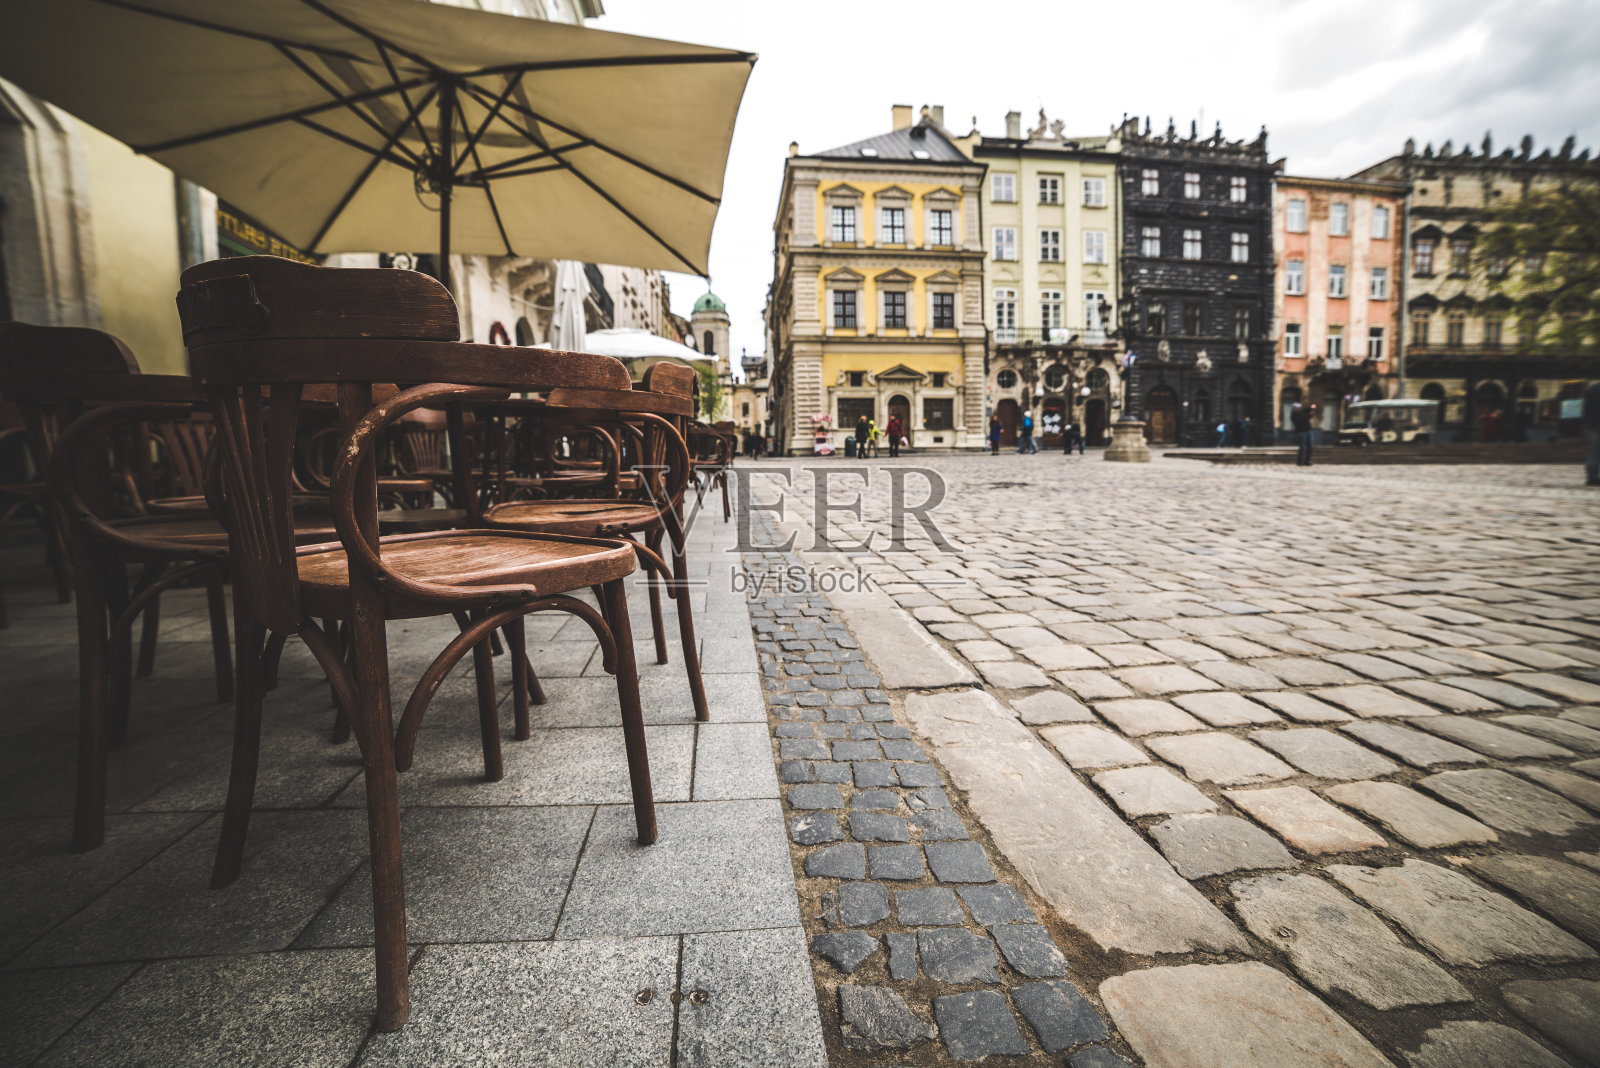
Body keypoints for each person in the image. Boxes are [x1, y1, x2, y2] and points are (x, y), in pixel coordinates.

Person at [1584, 379, 1600, 486]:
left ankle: (1592, 476)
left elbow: (1587, 407)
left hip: (1595, 423)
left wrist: (1589, 422)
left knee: (1596, 449)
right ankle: (1592, 476)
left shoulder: (1594, 388)